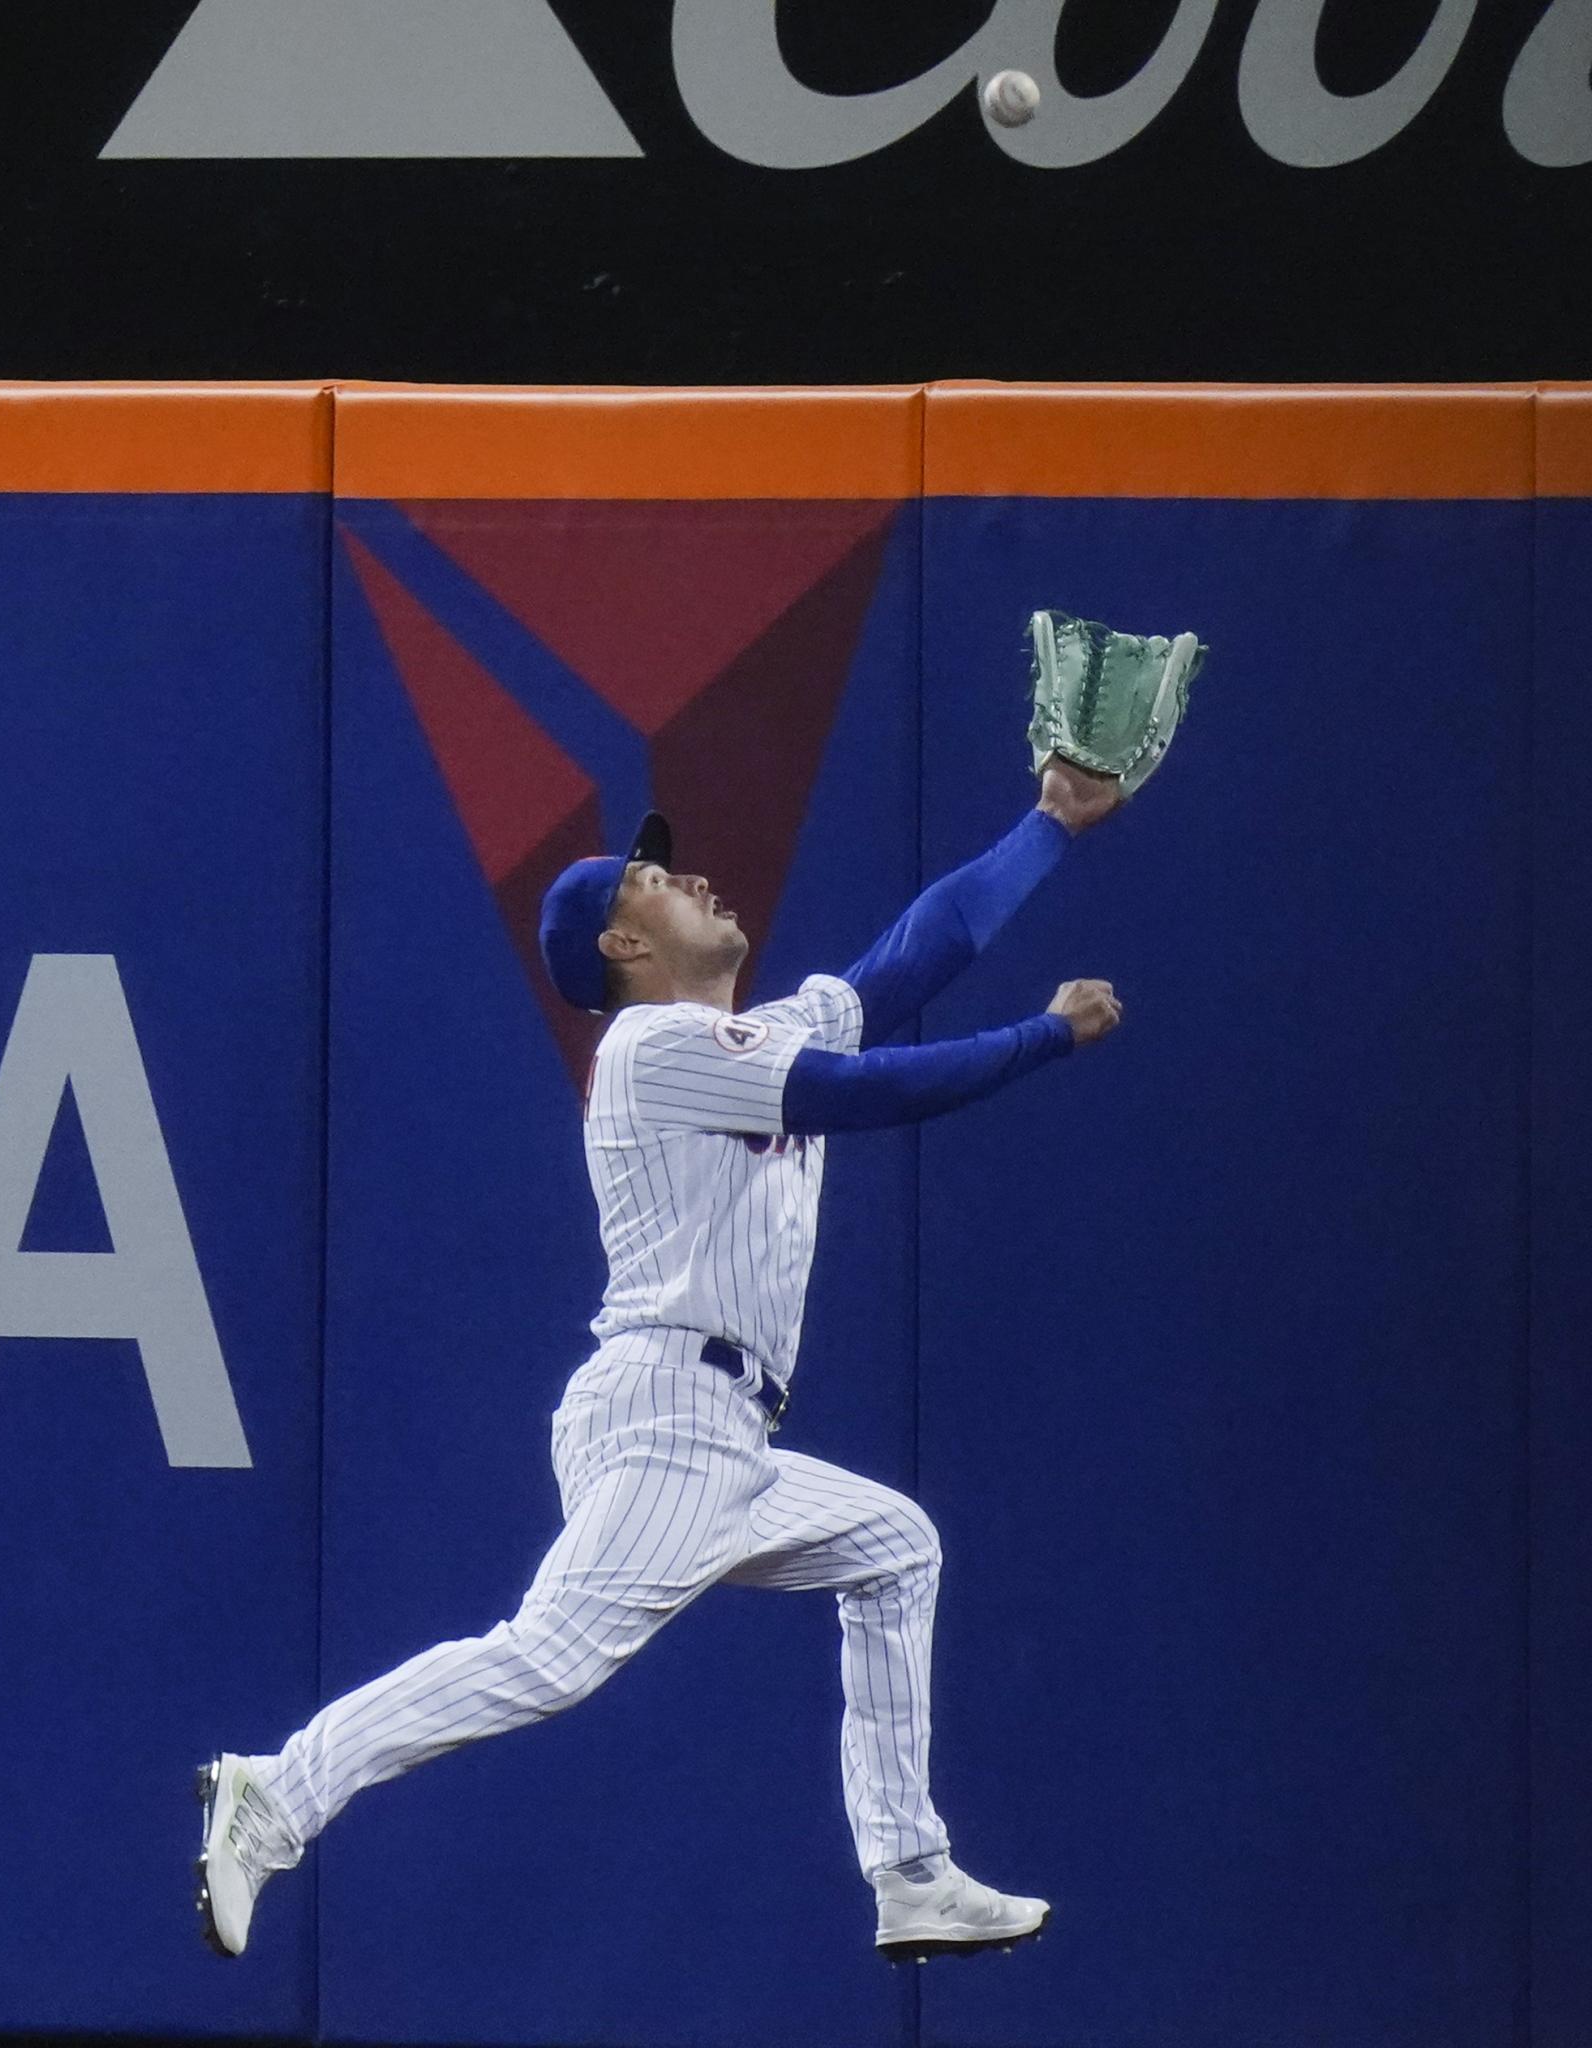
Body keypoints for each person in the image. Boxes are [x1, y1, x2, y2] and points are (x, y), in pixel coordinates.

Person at [197, 755, 1129, 1962]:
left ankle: (908, 1868)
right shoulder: (650, 1049)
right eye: (650, 879)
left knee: (897, 1546)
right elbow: (869, 1090)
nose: (688, 873)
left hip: (724, 1428)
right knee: (550, 1656)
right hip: (669, 1409)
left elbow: (918, 950)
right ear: (624, 948)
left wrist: (1049, 824)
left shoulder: (747, 1033)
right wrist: (1042, 1035)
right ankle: (278, 1789)